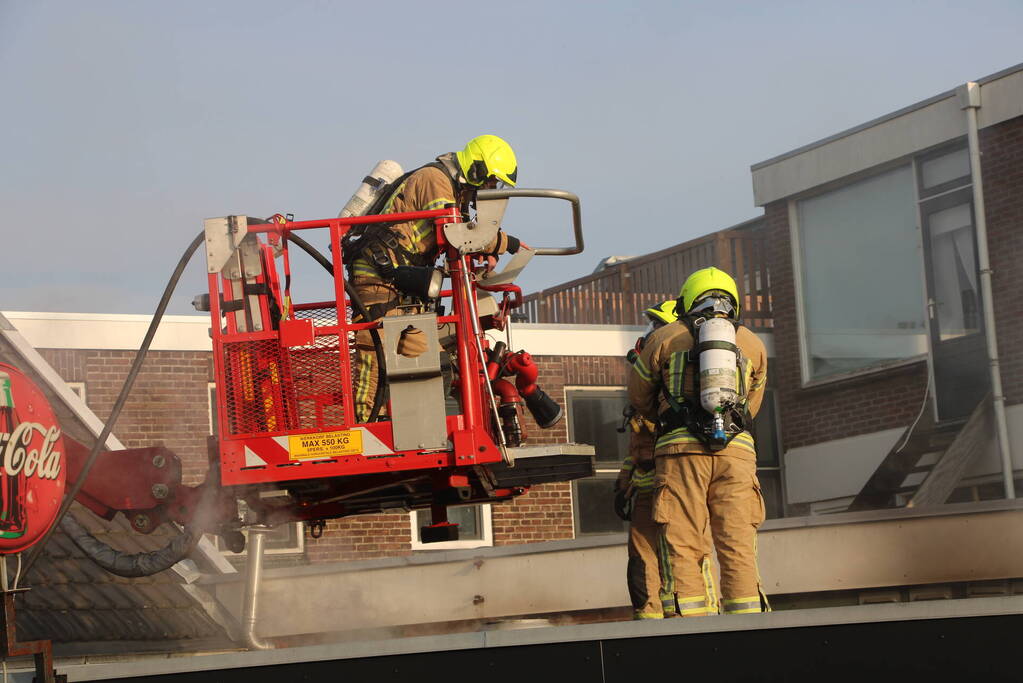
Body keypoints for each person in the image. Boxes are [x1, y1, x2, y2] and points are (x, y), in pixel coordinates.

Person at [347, 135, 523, 422]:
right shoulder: (435, 179)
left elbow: (459, 236)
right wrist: (505, 243)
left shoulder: (454, 192)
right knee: (375, 347)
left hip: (403, 279)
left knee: (426, 355)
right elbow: (456, 233)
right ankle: (365, 425)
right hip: (377, 276)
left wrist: (482, 250)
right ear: (476, 169)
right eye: (490, 181)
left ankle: (413, 426)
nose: (491, 189)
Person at [627, 267, 769, 616]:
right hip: (737, 454)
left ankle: (690, 625)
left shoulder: (665, 338)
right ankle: (748, 622)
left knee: (683, 540)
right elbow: (752, 405)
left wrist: (670, 407)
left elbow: (639, 398)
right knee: (737, 543)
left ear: (689, 299)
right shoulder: (753, 343)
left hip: (681, 454)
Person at [615, 300, 680, 619]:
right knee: (641, 560)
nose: (648, 335)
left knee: (679, 557)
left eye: (656, 327)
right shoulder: (648, 382)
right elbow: (637, 447)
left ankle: (683, 620)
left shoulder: (673, 384)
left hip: (672, 490)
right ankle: (648, 623)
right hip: (645, 492)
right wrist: (623, 482)